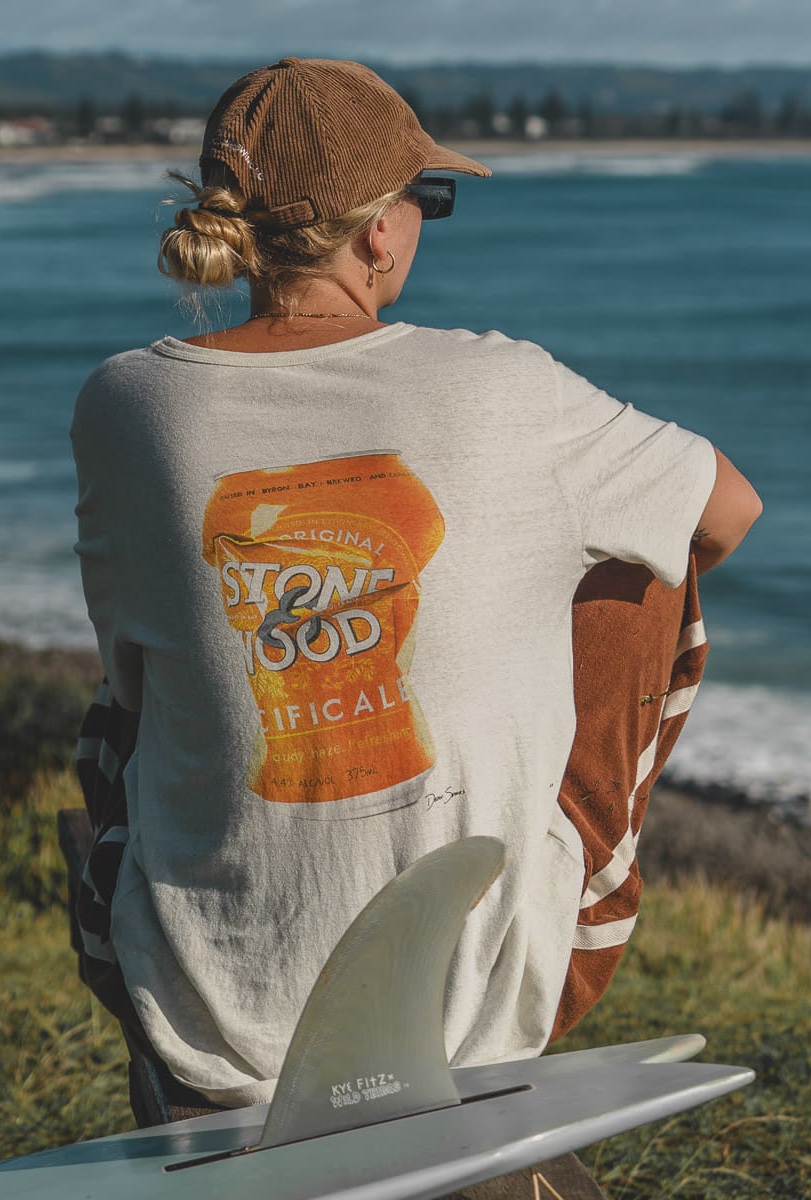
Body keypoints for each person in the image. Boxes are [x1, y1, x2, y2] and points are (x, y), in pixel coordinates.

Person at [69, 56, 761, 1197]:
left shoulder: (124, 403)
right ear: (379, 238)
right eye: (425, 199)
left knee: (130, 705)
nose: (420, 226)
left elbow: (132, 673)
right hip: (467, 997)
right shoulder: (505, 387)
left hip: (200, 999)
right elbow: (729, 511)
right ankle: (539, 903)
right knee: (654, 559)